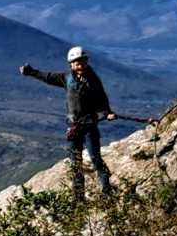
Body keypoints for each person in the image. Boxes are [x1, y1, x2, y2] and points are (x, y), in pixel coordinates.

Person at [20, 46, 128, 198]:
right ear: (71, 65)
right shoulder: (67, 79)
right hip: (74, 127)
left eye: (83, 63)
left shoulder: (93, 80)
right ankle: (79, 197)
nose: (81, 66)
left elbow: (102, 98)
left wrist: (108, 112)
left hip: (89, 126)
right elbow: (48, 77)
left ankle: (107, 190)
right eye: (77, 64)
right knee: (75, 163)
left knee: (95, 158)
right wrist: (31, 72)